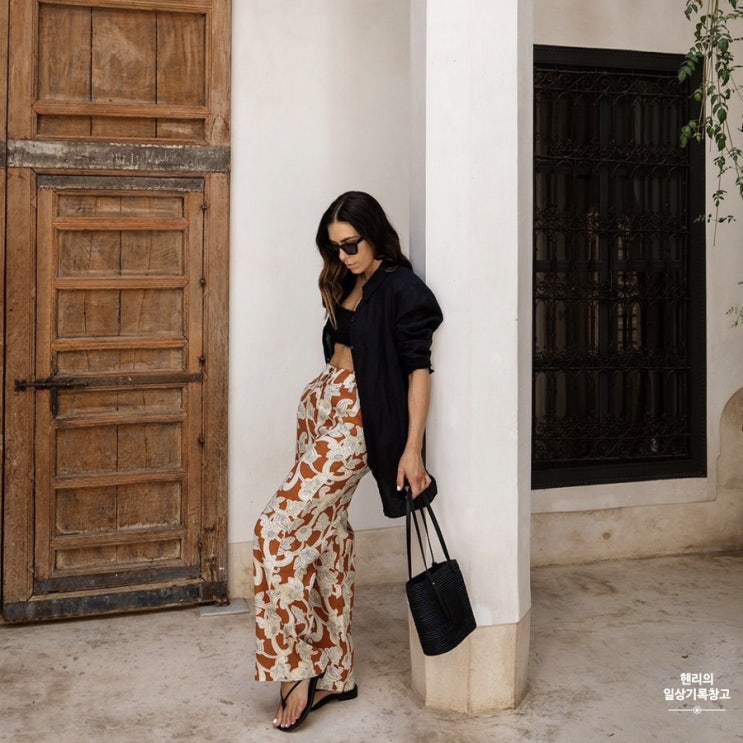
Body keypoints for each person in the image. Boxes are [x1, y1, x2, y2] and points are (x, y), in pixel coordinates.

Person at [253, 191, 443, 732]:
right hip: (321, 405)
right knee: (328, 536)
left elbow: (418, 371)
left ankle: (297, 667)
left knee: (274, 529)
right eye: (335, 247)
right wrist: (321, 397)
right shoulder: (345, 281)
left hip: (357, 420)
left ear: (374, 233)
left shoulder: (402, 288)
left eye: (352, 244)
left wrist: (411, 449)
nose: (344, 256)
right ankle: (338, 674)